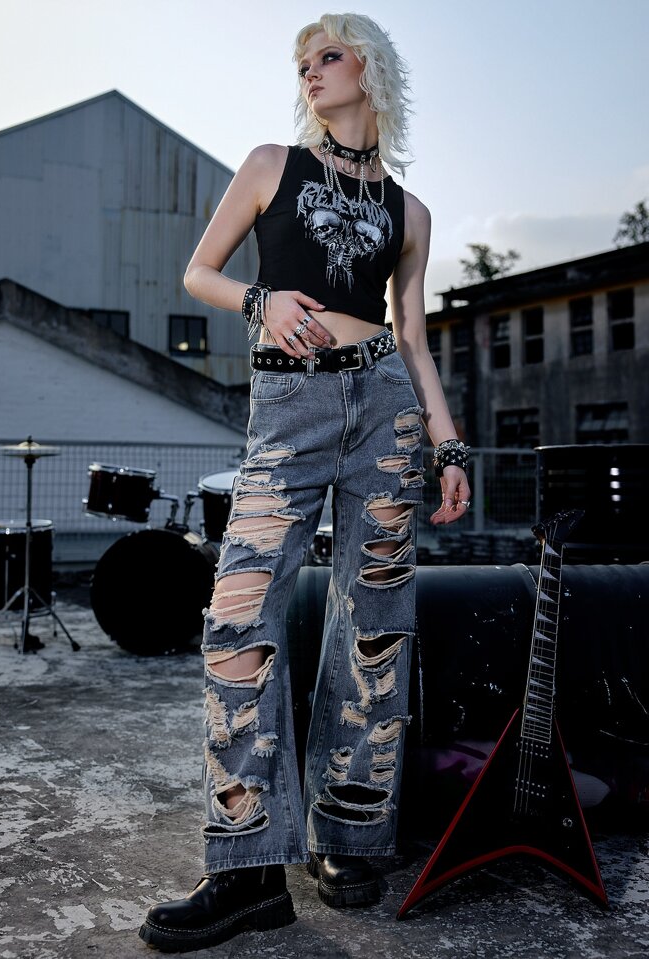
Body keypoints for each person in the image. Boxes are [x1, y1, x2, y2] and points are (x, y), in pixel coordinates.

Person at [139, 12, 470, 953]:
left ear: (371, 67)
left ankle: (349, 831)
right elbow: (199, 272)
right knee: (238, 615)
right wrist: (263, 299)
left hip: (387, 410)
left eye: (329, 55)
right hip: (290, 405)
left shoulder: (411, 212)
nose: (311, 73)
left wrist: (449, 447)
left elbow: (413, 338)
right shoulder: (271, 165)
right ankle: (248, 865)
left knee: (376, 624)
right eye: (303, 63)